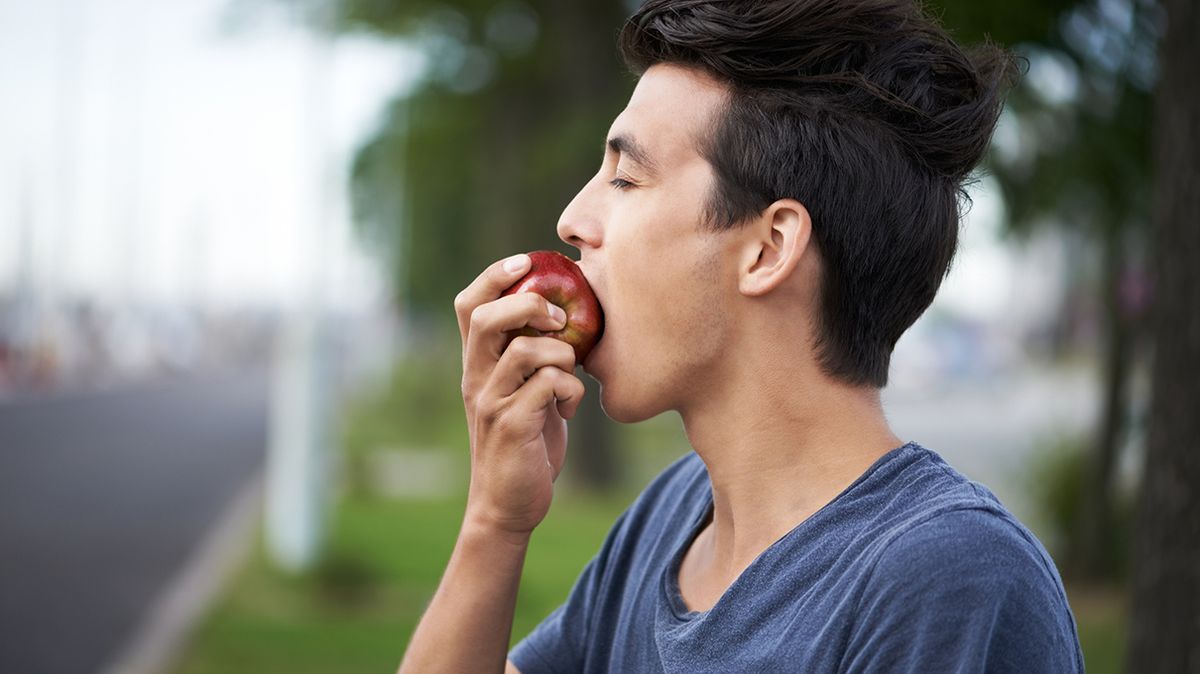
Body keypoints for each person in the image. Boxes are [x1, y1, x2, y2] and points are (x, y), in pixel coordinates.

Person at [399, 0, 1084, 671]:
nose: (573, 219)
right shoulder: (666, 522)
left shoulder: (949, 582)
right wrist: (495, 520)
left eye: (627, 177)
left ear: (768, 249)